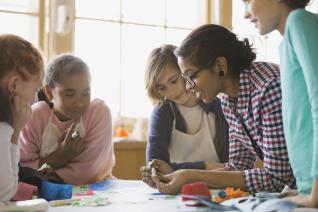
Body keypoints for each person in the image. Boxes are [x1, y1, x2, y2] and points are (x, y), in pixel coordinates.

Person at [152, 24, 296, 195]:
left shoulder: (267, 88)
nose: (189, 87)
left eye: (192, 77)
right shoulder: (227, 100)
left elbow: (276, 179)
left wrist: (189, 176)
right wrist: (181, 178)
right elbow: (237, 166)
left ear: (220, 65)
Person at [243, 0, 318, 207]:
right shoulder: (287, 42)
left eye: (248, 1)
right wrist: (306, 188)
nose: (245, 14)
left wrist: (315, 194)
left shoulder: (298, 22)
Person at [19, 54, 115, 187]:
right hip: (46, 196)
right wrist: (61, 155)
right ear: (49, 91)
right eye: (70, 94)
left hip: (97, 191)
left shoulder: (98, 113)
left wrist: (44, 170)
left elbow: (90, 171)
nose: (79, 103)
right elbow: (24, 172)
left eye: (86, 93)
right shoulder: (34, 117)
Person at [140, 44, 229, 188]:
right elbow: (156, 167)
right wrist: (208, 166)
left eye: (173, 80)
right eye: (162, 87)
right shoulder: (161, 113)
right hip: (176, 189)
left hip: (218, 187)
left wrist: (174, 169)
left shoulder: (219, 106)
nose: (172, 91)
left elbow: (232, 167)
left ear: (186, 71)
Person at [0, 34, 44, 201]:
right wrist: (15, 131)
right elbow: (4, 193)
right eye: (35, 90)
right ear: (14, 85)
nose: (35, 99)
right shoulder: (2, 125)